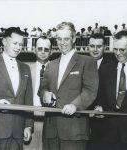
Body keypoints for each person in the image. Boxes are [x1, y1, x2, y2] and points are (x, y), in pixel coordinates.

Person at [39, 22, 99, 150]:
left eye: (66, 39)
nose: (62, 43)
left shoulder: (87, 62)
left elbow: (90, 90)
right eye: (59, 39)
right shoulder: (51, 64)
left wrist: (75, 105)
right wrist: (45, 94)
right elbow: (42, 88)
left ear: (74, 38)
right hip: (51, 132)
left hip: (74, 132)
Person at [0, 27, 33, 150]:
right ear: (4, 41)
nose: (18, 47)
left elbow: (28, 99)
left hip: (17, 132)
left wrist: (28, 126)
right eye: (15, 43)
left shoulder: (26, 68)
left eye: (21, 44)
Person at [95, 30, 127, 150]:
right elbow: (100, 97)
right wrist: (99, 106)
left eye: (122, 49)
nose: (118, 53)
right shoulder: (104, 70)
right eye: (115, 49)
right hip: (109, 137)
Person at [24, 36, 52, 150]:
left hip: (51, 120)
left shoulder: (58, 69)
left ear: (51, 51)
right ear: (35, 49)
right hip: (30, 117)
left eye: (46, 49)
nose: (43, 52)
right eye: (40, 48)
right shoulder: (25, 69)